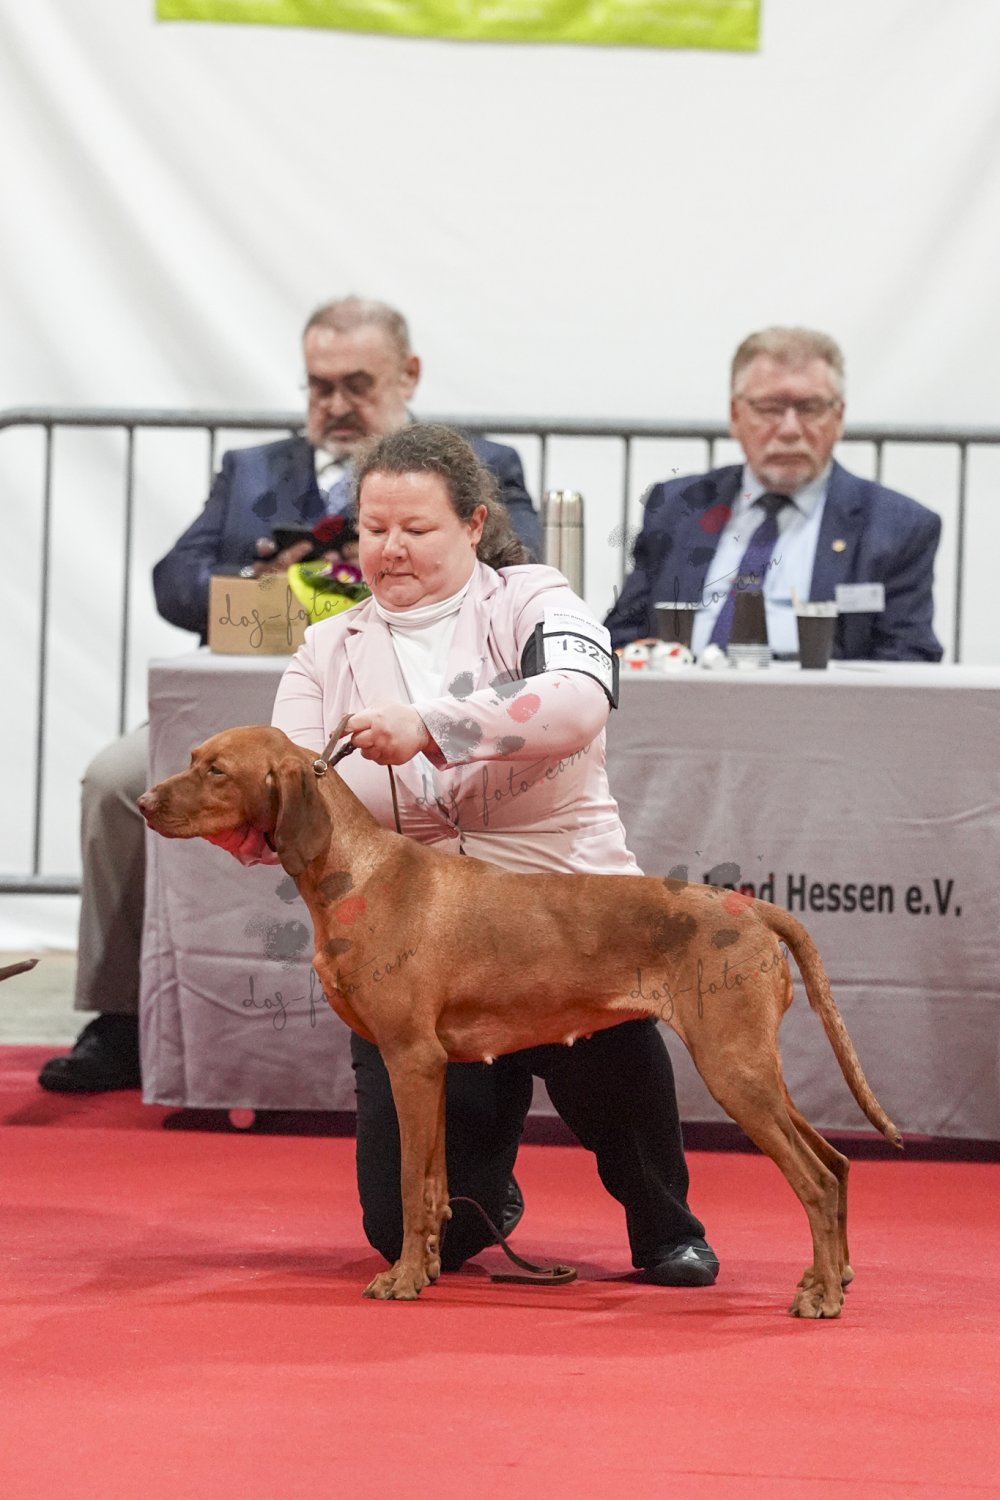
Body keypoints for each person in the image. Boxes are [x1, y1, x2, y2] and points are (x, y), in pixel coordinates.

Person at [224, 422, 717, 1287]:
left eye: (417, 528)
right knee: (401, 1234)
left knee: (614, 1060)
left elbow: (577, 700)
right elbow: (295, 787)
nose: (392, 548)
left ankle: (663, 1220)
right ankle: (486, 1198)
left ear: (474, 524)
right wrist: (253, 826)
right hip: (422, 946)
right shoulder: (325, 649)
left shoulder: (538, 600)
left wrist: (431, 725)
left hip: (564, 912)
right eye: (375, 528)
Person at [38, 298, 542, 1094]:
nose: (335, 404)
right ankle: (119, 1016)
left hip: (407, 703)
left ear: (409, 375)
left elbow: (522, 561)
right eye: (318, 386)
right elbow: (174, 581)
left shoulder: (472, 462)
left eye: (356, 384)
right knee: (114, 780)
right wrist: (268, 586)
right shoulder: (253, 470)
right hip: (235, 710)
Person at [605, 326, 944, 662]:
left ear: (838, 417)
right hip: (682, 690)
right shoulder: (679, 507)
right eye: (769, 408)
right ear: (735, 415)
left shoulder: (895, 528)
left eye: (810, 408)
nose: (790, 430)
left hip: (818, 697)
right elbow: (621, 636)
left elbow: (908, 660)